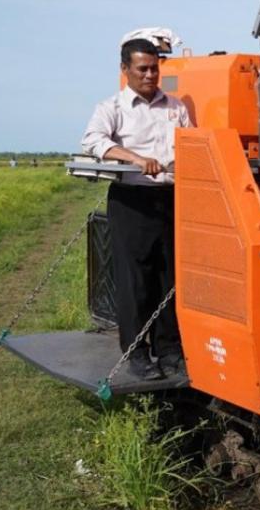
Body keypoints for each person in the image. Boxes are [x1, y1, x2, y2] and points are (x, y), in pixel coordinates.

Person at [80, 33, 192, 379]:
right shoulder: (111, 108)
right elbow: (93, 141)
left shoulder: (176, 108)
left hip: (171, 198)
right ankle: (137, 351)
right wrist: (136, 158)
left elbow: (192, 142)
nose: (149, 76)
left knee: (170, 276)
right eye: (142, 69)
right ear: (125, 69)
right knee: (136, 280)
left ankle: (170, 349)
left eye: (154, 69)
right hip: (132, 200)